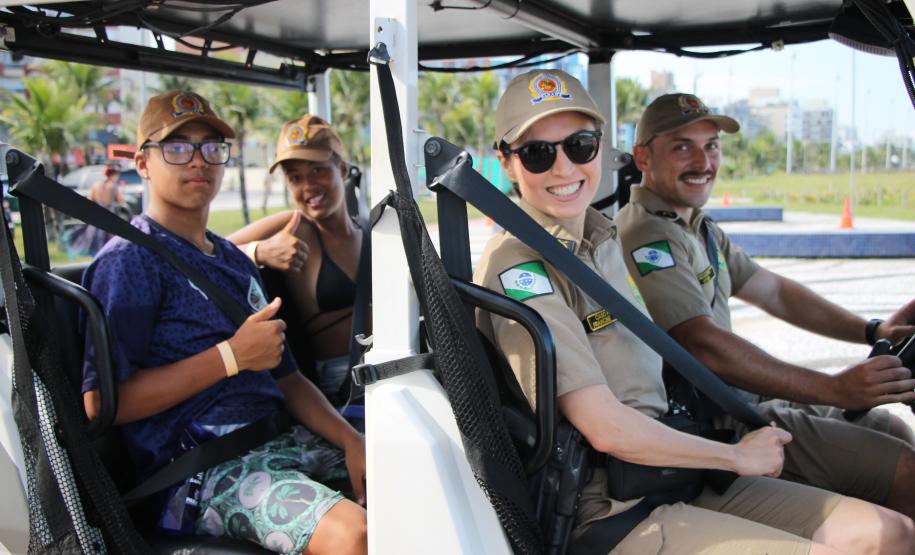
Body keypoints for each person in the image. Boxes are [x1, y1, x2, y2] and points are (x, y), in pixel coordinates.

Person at [474, 69, 914, 553]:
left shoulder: (600, 241)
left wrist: (872, 329)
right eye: (538, 154)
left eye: (579, 145)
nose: (563, 168)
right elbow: (606, 425)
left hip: (669, 466)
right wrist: (734, 456)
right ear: (508, 164)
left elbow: (773, 291)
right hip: (612, 504)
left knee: (887, 534)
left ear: (600, 147)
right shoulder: (520, 265)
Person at [80, 91, 366, 555]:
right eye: (177, 147)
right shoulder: (130, 260)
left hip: (283, 442)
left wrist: (352, 440)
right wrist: (230, 357)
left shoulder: (232, 260)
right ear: (143, 163)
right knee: (356, 535)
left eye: (211, 148)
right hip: (201, 473)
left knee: (420, 482)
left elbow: (289, 379)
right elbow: (101, 404)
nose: (198, 161)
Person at [614, 92, 915, 520]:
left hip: (743, 402)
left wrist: (872, 331)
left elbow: (771, 289)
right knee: (903, 469)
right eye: (683, 147)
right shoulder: (646, 236)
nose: (703, 162)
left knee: (892, 429)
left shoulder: (696, 226)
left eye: (711, 146)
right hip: (718, 421)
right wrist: (834, 389)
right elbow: (702, 344)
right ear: (643, 157)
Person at [228, 115, 366, 400]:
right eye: (295, 178)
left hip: (400, 363)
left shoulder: (371, 227)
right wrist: (257, 251)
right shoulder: (294, 226)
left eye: (318, 171)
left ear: (340, 169)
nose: (308, 186)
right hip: (341, 382)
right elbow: (201, 254)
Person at [61, 164, 125, 257]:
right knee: (109, 241)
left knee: (94, 240)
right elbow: (121, 201)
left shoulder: (96, 185)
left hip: (97, 216)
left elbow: (90, 199)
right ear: (113, 175)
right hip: (109, 217)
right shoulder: (113, 186)